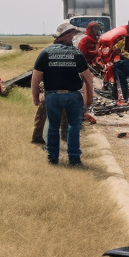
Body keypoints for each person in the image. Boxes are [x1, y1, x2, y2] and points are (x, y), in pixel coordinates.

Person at [31, 20, 94, 166]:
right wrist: (89, 99)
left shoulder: (45, 53)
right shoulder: (76, 54)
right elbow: (88, 79)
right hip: (73, 96)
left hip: (52, 96)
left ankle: (53, 158)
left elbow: (36, 78)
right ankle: (74, 159)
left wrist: (35, 97)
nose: (73, 38)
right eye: (72, 35)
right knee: (74, 127)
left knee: (53, 127)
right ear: (66, 36)